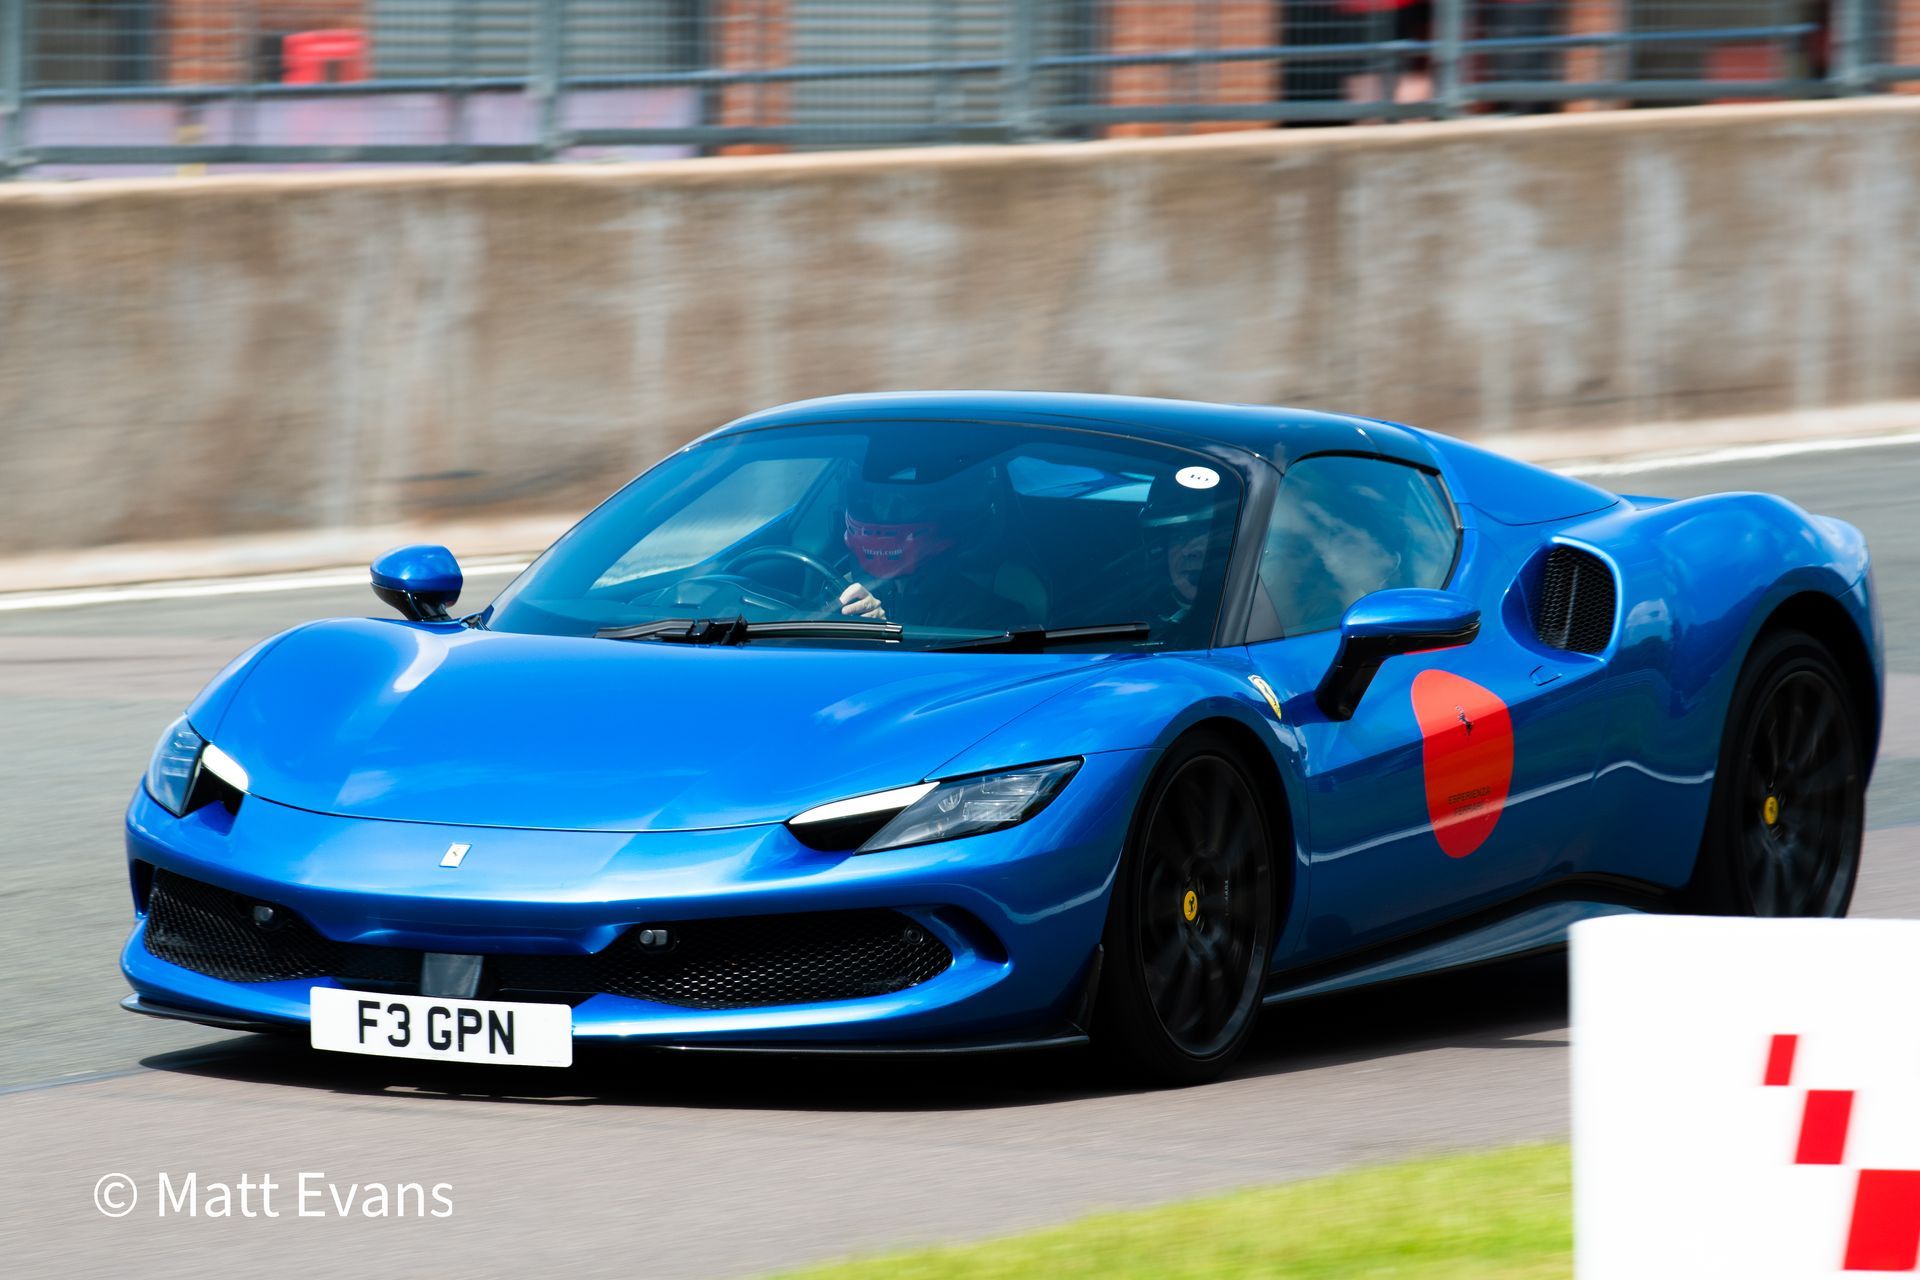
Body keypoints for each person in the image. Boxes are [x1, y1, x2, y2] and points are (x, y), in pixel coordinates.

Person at [834, 464, 1031, 632]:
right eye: (881, 499)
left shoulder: (992, 617)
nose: (887, 514)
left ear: (940, 513)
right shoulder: (855, 583)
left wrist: (884, 629)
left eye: (906, 503)